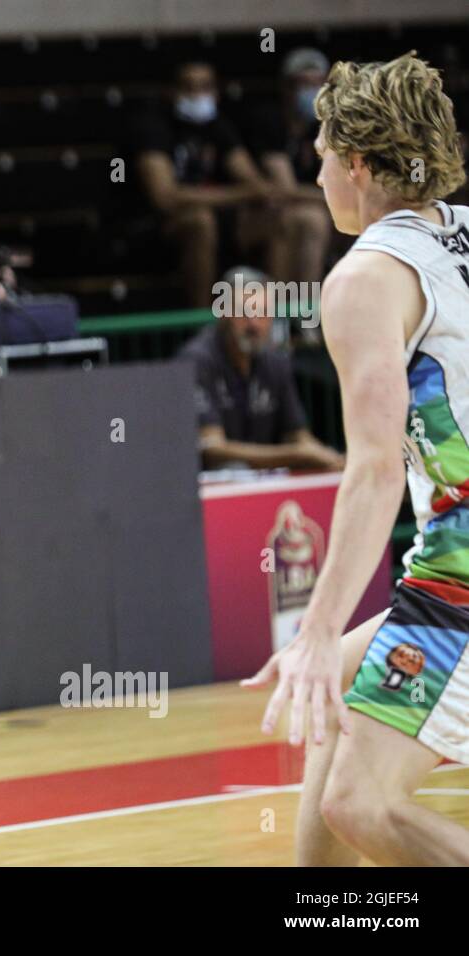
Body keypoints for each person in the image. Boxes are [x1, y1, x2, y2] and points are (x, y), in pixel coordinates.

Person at [242, 53, 469, 865]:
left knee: (359, 804)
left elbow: (374, 467)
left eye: (323, 148)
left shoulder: (367, 276)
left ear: (360, 163)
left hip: (464, 565)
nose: (315, 165)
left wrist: (316, 624)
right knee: (334, 686)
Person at [132, 62, 286, 307]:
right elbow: (165, 197)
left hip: (221, 219)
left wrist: (253, 190)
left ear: (215, 93)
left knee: (277, 217)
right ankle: (202, 321)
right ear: (171, 92)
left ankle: (275, 316)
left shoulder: (219, 127)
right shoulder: (153, 126)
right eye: (188, 87)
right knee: (200, 221)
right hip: (158, 225)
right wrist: (239, 194)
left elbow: (257, 185)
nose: (196, 95)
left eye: (204, 87)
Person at [179, 265, 343, 471]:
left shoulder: (275, 360)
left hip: (268, 480)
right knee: (234, 467)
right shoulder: (199, 360)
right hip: (213, 484)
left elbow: (298, 435)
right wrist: (296, 455)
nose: (254, 324)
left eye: (263, 312)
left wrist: (331, 460)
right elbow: (212, 449)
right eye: (244, 312)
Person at [243, 48, 334, 293]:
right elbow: (286, 189)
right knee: (307, 218)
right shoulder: (270, 121)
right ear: (286, 87)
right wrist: (337, 198)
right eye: (303, 84)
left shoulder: (328, 125)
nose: (311, 91)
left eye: (317, 83)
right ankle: (299, 317)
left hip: (315, 208)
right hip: (257, 215)